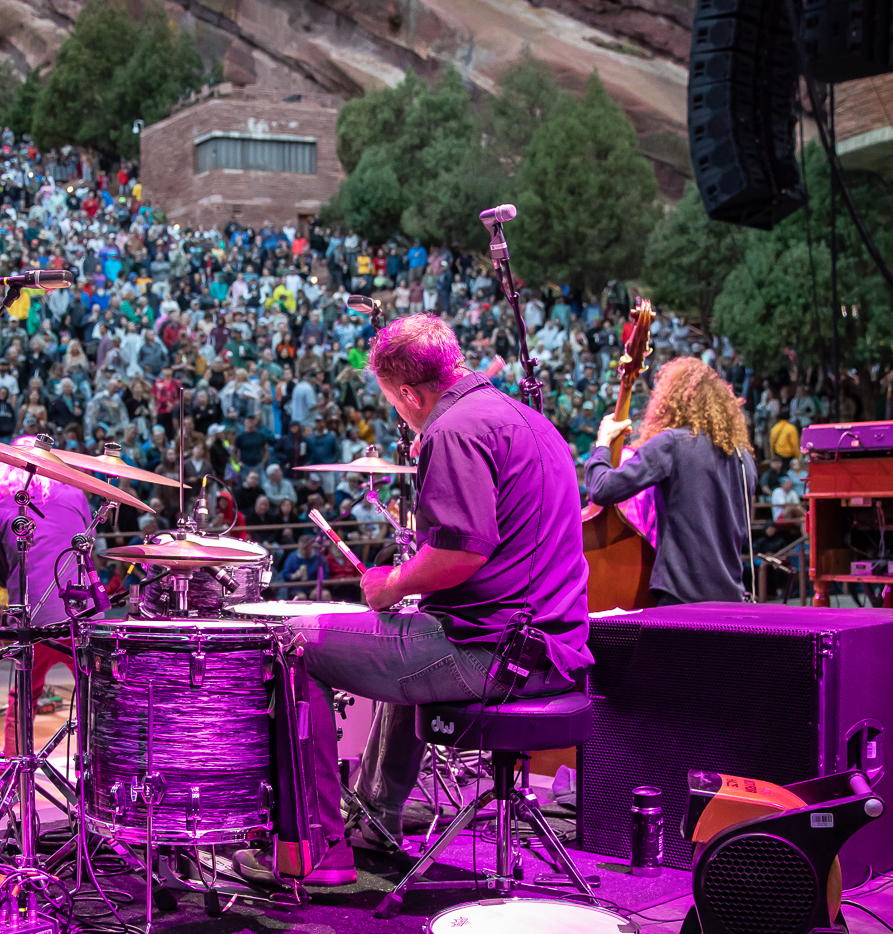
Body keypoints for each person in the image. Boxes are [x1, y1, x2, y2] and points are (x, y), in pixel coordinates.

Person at [235, 314, 592, 889]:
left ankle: (317, 850)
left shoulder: (454, 430)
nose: (398, 414)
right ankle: (376, 818)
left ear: (408, 392)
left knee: (291, 640)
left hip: (493, 653)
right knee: (408, 631)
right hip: (554, 649)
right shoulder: (529, 421)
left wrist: (394, 582)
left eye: (393, 403)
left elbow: (459, 556)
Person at [582, 356, 755, 605]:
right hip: (731, 598)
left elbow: (601, 489)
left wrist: (603, 444)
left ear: (672, 401)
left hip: (682, 597)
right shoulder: (743, 458)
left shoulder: (673, 444)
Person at [0, 437, 96, 756]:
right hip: (80, 611)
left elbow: (4, 577)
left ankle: (13, 769)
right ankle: (95, 765)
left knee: (25, 695)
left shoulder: (2, 512)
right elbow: (83, 546)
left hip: (35, 617)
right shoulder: (76, 495)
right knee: (95, 692)